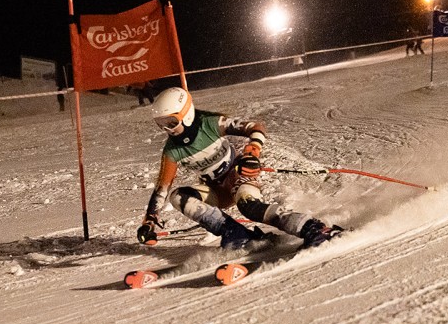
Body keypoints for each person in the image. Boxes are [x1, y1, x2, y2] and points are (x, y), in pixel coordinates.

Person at [136, 87, 343, 251]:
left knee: (249, 206)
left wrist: (252, 153)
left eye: (171, 122)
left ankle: (314, 228)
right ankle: (236, 234)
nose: (167, 129)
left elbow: (256, 127)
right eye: (161, 124)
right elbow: (162, 188)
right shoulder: (172, 150)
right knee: (177, 196)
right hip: (215, 191)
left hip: (238, 175)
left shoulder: (209, 124)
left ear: (186, 115)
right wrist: (150, 221)